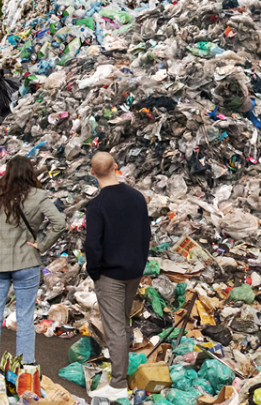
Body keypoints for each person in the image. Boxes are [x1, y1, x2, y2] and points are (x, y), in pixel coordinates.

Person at [0, 155, 66, 365]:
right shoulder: (39, 196)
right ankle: (26, 366)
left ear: (7, 173)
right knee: (25, 317)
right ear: (31, 173)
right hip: (26, 261)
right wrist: (42, 246)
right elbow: (60, 223)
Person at [81, 152, 152, 400]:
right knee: (122, 322)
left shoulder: (97, 206)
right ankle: (121, 371)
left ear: (93, 173)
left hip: (110, 275)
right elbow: (146, 235)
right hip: (133, 271)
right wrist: (140, 264)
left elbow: (92, 244)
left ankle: (118, 383)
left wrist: (94, 272)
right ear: (116, 167)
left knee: (115, 329)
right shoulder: (137, 198)